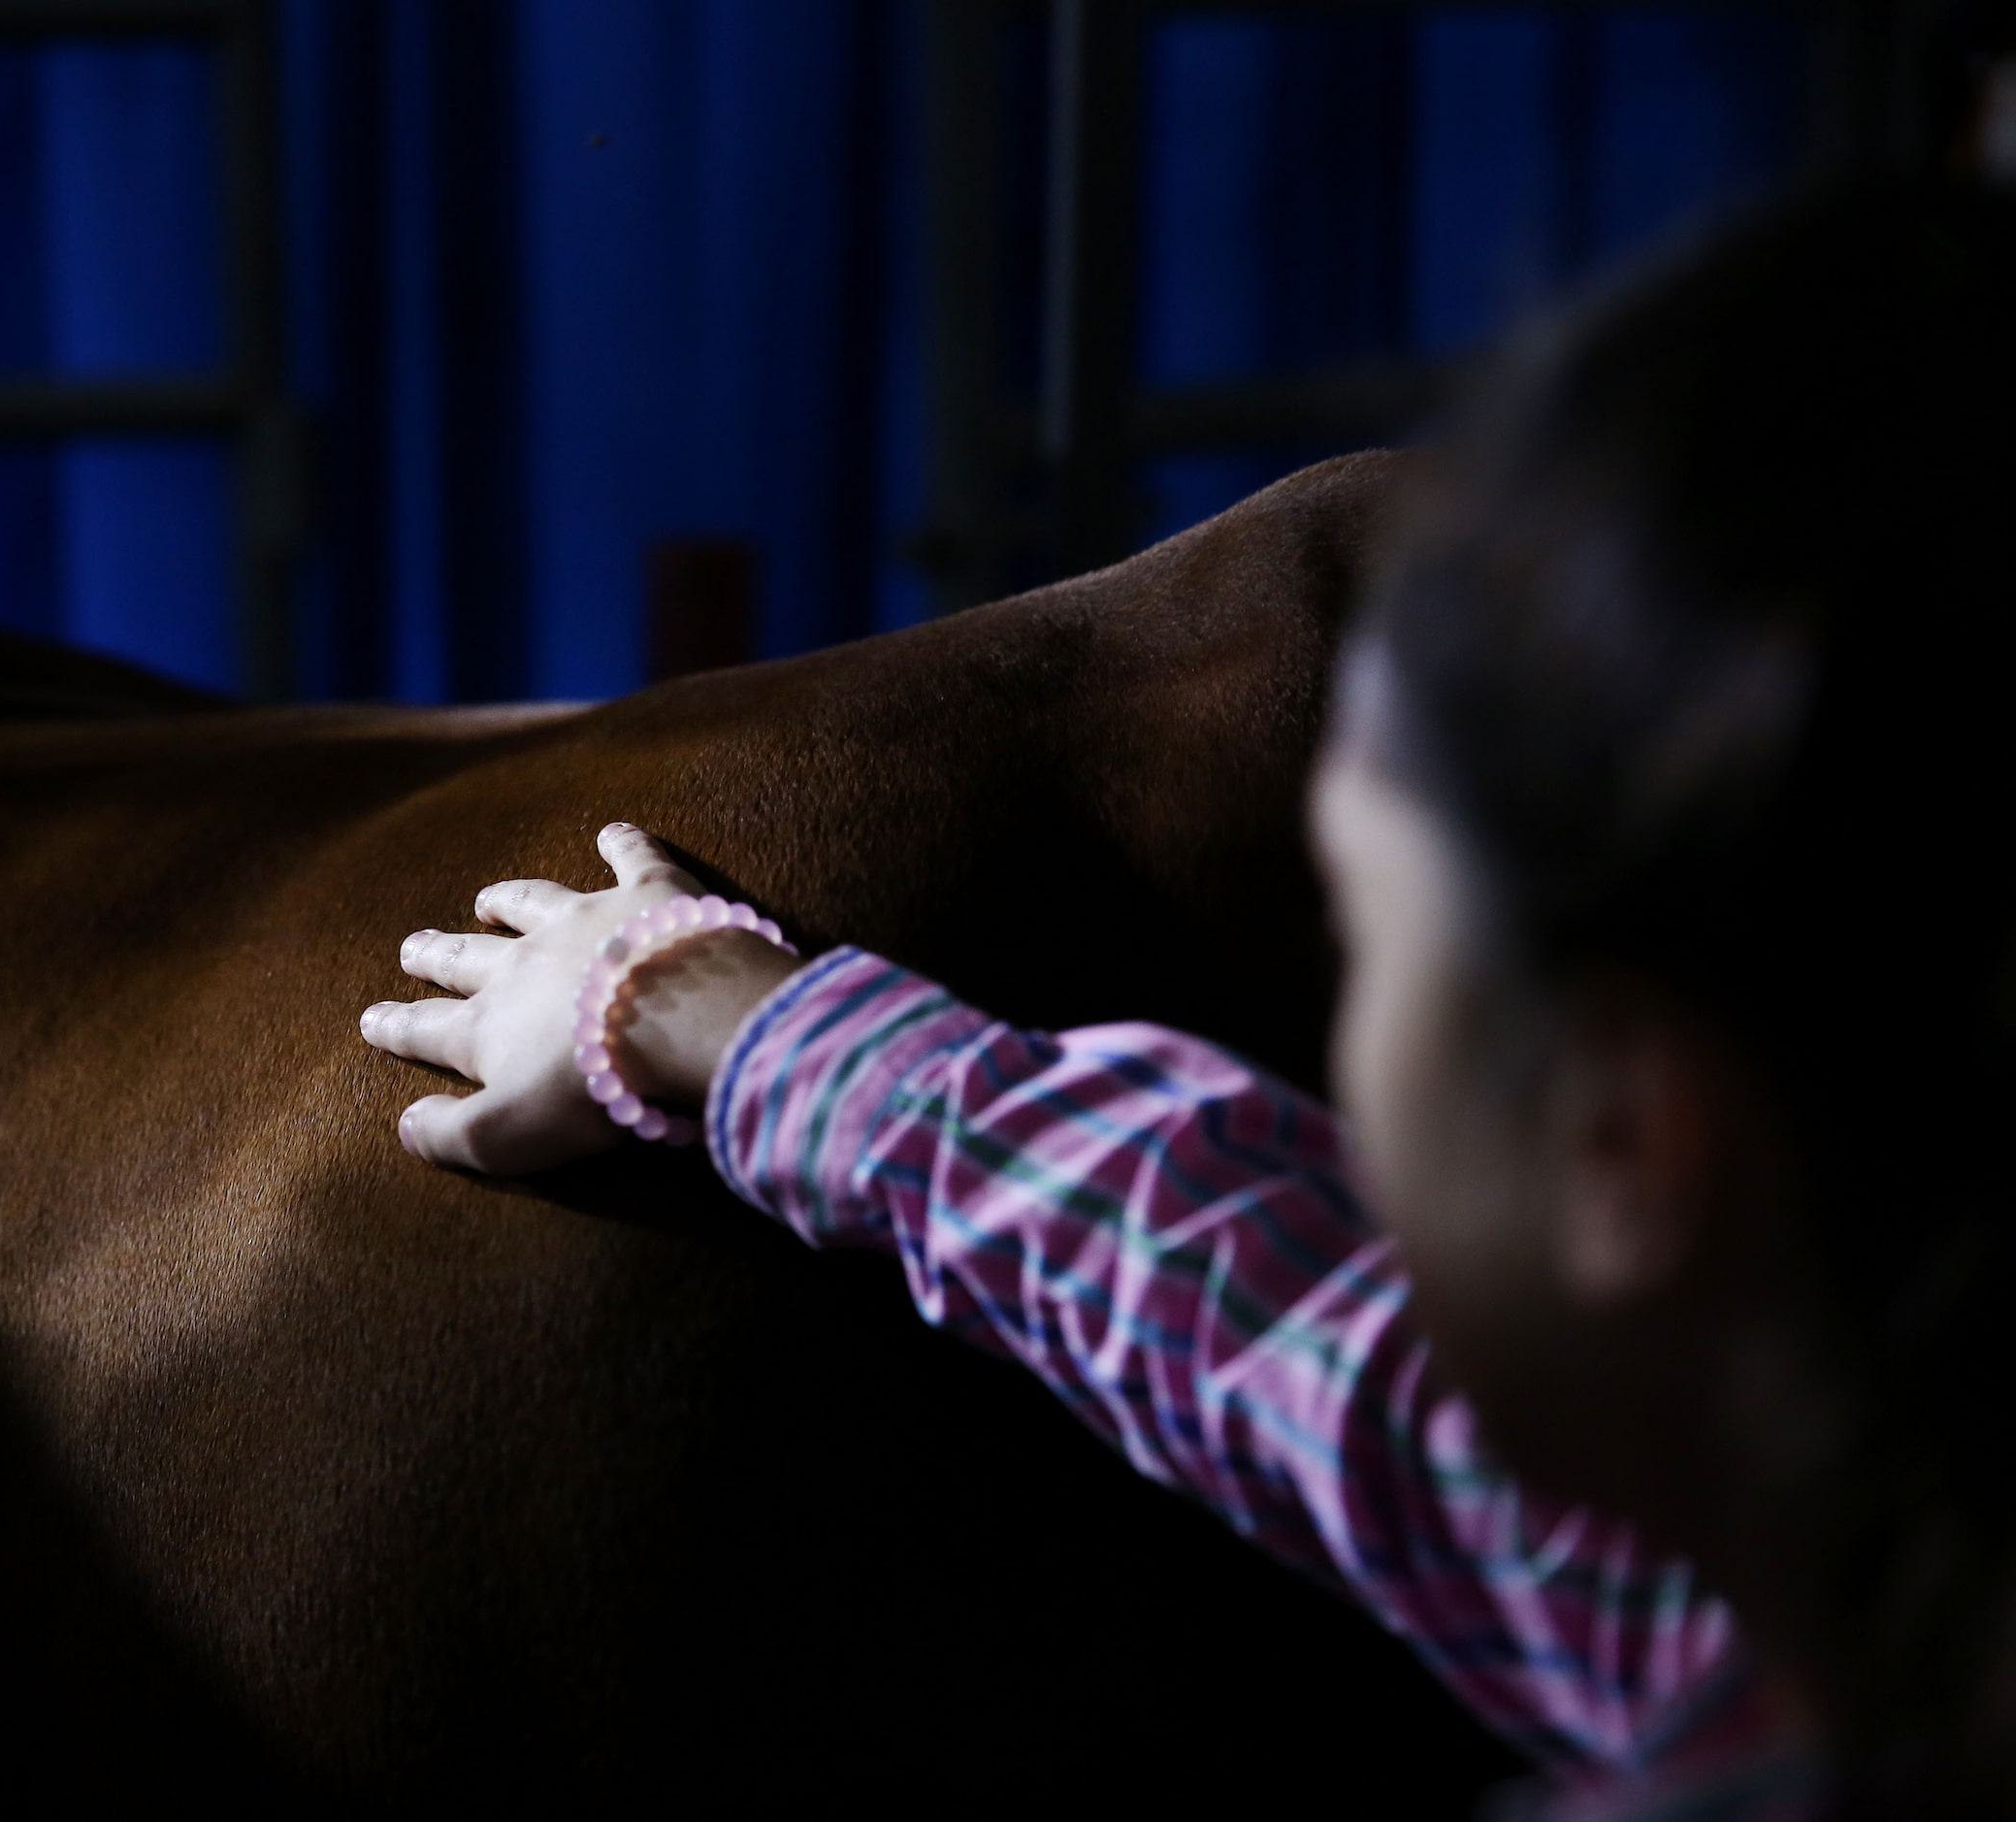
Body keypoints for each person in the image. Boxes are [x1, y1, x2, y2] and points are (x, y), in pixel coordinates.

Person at [359, 181, 2016, 1817]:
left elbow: (1360, 1388)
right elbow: (1306, 1353)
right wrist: (755, 1029)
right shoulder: (1859, 1597)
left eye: (1361, 931)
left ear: (1620, 1141)